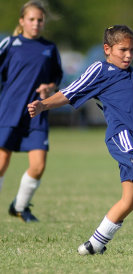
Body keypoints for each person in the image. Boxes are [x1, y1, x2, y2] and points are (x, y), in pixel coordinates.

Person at [28, 25, 133, 255]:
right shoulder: (100, 69)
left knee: (131, 199)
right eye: (123, 50)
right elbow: (70, 92)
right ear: (107, 49)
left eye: (131, 50)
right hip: (122, 137)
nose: (128, 55)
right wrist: (43, 105)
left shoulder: (132, 73)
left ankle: (94, 244)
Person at [0, 0, 63, 222]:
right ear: (22, 21)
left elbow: (56, 78)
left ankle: (19, 207)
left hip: (36, 113)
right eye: (31, 19)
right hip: (9, 112)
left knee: (38, 167)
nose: (36, 24)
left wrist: (49, 87)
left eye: (40, 20)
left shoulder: (49, 48)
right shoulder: (10, 43)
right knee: (1, 163)